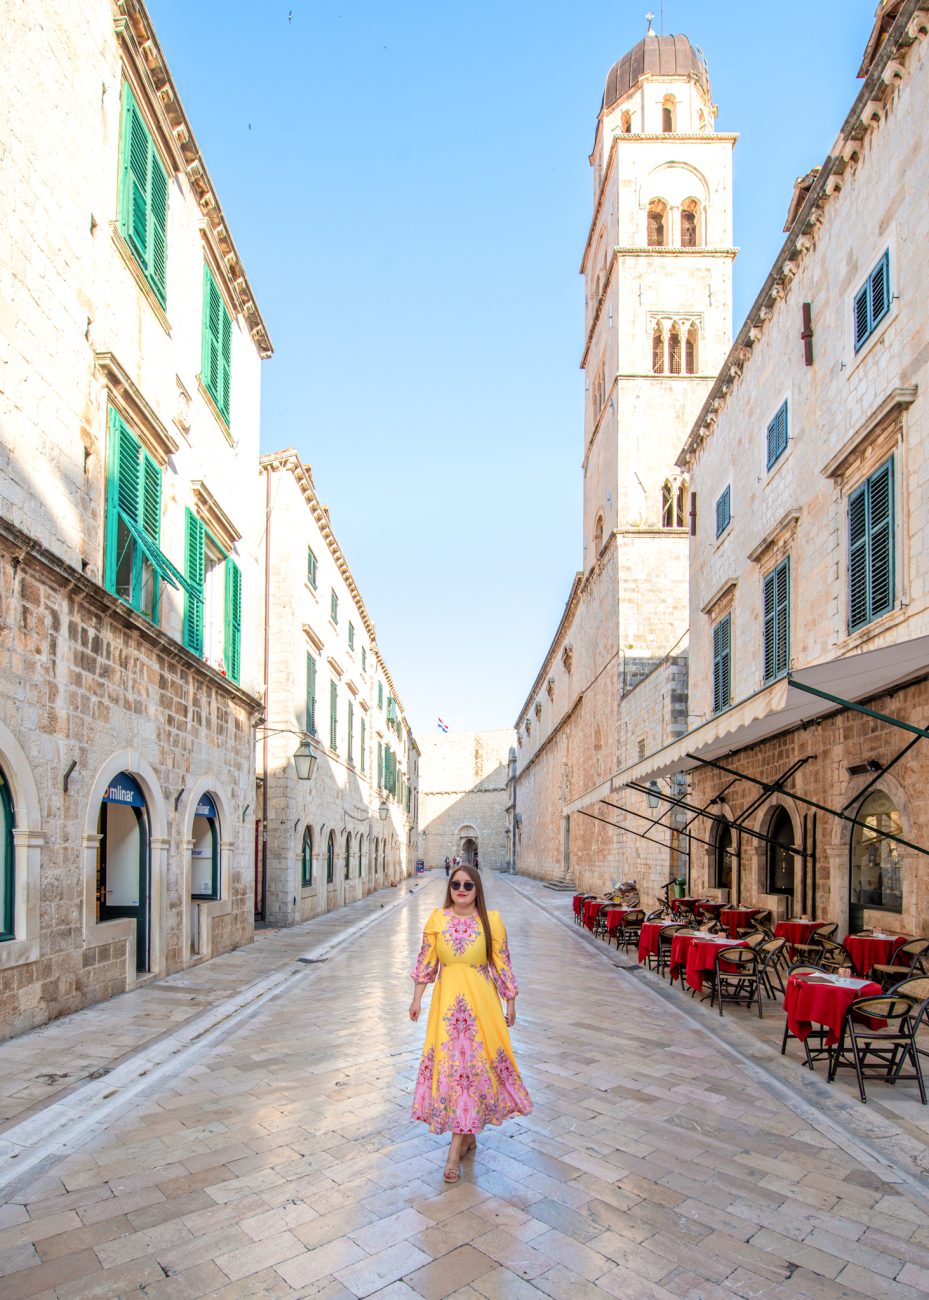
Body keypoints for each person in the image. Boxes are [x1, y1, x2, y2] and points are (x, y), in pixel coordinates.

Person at [408, 864, 532, 1183]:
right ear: (449, 888)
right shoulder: (437, 920)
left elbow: (502, 963)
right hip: (447, 1005)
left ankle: (454, 1154)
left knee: (474, 1070)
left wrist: (511, 1001)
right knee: (454, 1070)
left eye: (467, 885)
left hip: (482, 1005)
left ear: (477, 888)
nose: (461, 890)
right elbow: (426, 961)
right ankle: (466, 1138)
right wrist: (416, 999)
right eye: (455, 885)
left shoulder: (492, 922)